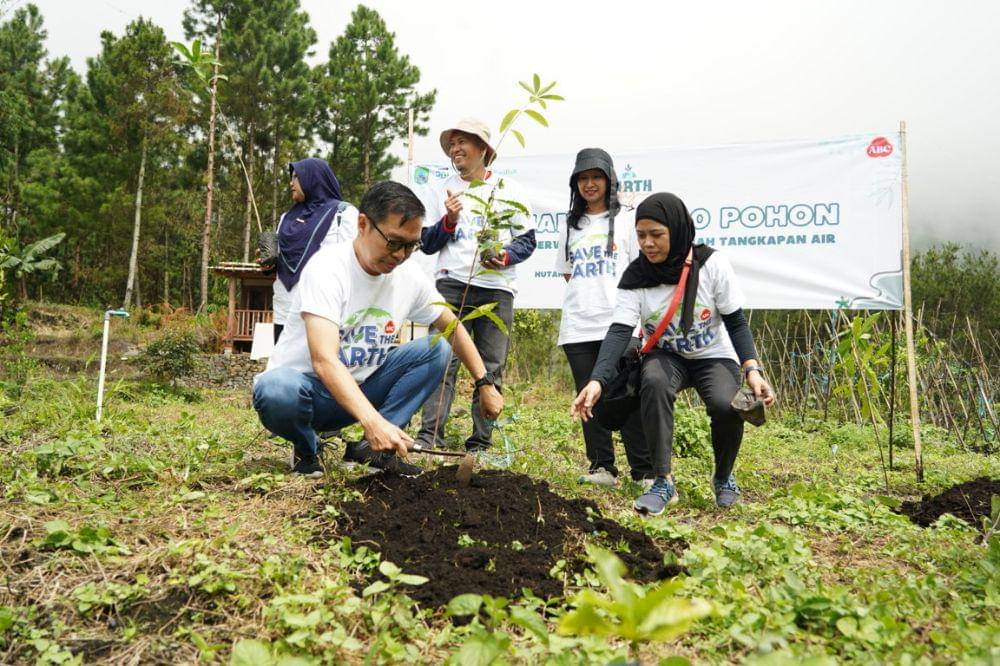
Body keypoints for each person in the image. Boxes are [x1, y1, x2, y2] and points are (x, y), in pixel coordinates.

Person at [253, 181, 503, 478]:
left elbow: (452, 325)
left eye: (411, 246)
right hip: (309, 393)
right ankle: (307, 449)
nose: (400, 255)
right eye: (394, 242)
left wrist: (484, 382)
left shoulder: (408, 275)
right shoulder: (327, 269)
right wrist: (372, 422)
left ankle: (373, 452)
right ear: (363, 224)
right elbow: (323, 360)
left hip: (363, 389)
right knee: (274, 390)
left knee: (436, 348)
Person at [571, 192, 775, 515]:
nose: (648, 243)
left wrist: (752, 369)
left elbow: (736, 322)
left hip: (713, 355)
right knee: (652, 381)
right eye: (641, 235)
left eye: (656, 234)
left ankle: (723, 477)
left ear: (677, 230)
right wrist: (597, 380)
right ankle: (662, 481)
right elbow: (620, 331)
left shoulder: (712, 265)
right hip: (667, 356)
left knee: (725, 405)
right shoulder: (635, 278)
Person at [414, 118, 536, 452]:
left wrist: (506, 257)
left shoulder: (509, 191)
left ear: (483, 149)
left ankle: (480, 441)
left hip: (497, 289)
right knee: (441, 359)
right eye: (451, 145)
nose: (455, 150)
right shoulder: (440, 190)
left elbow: (527, 240)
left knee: (491, 365)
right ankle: (429, 436)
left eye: (462, 143)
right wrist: (449, 221)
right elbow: (426, 242)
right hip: (452, 285)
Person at [555, 148, 654, 489]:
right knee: (588, 397)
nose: (589, 184)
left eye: (596, 177)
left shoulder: (628, 219)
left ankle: (644, 472)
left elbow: (641, 269)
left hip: (621, 323)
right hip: (578, 325)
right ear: (575, 183)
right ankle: (602, 467)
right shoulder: (571, 225)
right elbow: (569, 273)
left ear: (610, 180)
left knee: (626, 397)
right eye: (583, 178)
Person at [268, 158, 358, 343]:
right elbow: (280, 260)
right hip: (284, 310)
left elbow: (354, 262)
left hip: (322, 310)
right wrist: (267, 264)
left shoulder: (343, 214)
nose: (291, 183)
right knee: (282, 369)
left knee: (320, 365)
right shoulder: (287, 217)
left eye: (296, 177)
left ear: (312, 178)